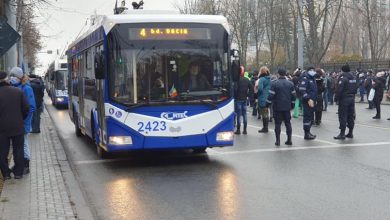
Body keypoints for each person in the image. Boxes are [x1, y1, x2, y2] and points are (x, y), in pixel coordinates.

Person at [0, 71, 30, 179]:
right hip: (17, 126)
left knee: (2, 152)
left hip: (2, 129)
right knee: (18, 150)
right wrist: (20, 119)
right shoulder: (18, 91)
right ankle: (18, 173)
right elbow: (26, 108)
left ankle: (6, 174)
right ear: (7, 79)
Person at [9, 67, 36, 174]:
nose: (12, 78)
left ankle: (26, 165)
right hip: (16, 122)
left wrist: (24, 121)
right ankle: (18, 164)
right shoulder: (14, 87)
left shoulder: (26, 88)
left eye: (14, 76)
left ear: (20, 77)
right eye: (11, 76)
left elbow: (31, 107)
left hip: (23, 123)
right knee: (17, 146)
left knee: (24, 144)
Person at [266, 68, 296, 146]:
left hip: (277, 107)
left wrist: (267, 104)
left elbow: (270, 95)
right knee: (288, 123)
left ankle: (278, 141)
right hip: (287, 107)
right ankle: (289, 140)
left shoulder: (274, 84)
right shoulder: (290, 84)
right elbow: (294, 96)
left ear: (278, 74)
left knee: (277, 124)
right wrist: (292, 104)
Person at [334, 65, 357, 140]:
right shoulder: (353, 77)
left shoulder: (343, 78)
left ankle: (342, 133)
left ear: (342, 70)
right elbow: (355, 88)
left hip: (344, 98)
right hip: (352, 98)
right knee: (350, 116)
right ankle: (350, 132)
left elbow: (339, 89)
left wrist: (336, 98)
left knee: (343, 116)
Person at [299, 66, 318, 140]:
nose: (313, 71)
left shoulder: (312, 79)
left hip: (313, 101)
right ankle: (306, 134)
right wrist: (308, 99)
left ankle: (309, 132)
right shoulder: (305, 78)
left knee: (310, 117)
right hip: (308, 101)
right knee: (307, 117)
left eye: (314, 70)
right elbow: (302, 90)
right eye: (311, 70)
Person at [234, 66, 253, 135]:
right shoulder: (247, 80)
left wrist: (235, 96)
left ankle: (238, 130)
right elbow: (251, 88)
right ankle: (245, 129)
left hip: (238, 99)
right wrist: (249, 95)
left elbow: (235, 89)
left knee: (238, 115)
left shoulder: (236, 80)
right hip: (244, 98)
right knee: (244, 114)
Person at [257, 66, 271, 133]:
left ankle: (265, 128)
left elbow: (260, 89)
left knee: (264, 113)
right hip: (269, 98)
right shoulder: (269, 79)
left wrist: (258, 94)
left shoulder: (262, 79)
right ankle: (266, 127)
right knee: (267, 112)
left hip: (262, 98)